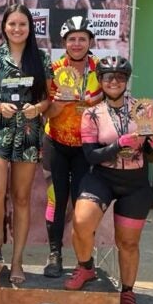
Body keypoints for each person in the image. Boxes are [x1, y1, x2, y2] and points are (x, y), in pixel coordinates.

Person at [62, 56, 153, 304]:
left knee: (128, 243)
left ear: (127, 80)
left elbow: (152, 153)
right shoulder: (91, 113)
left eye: (120, 76)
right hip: (102, 177)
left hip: (135, 182)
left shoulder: (144, 110)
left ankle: (127, 291)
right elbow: (91, 156)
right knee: (81, 222)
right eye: (108, 77)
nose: (114, 81)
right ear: (101, 80)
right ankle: (86, 267)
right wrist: (119, 144)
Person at [0, 4, 52, 283]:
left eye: (22, 24)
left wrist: (38, 108)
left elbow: (48, 98)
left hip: (28, 132)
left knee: (21, 198)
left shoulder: (41, 58)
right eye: (12, 24)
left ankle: (17, 261)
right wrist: (0, 107)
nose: (17, 29)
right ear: (4, 27)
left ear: (30, 27)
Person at [41, 16, 103, 277]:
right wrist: (59, 104)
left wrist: (94, 99)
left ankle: (83, 259)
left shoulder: (101, 69)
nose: (77, 44)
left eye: (82, 39)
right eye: (72, 39)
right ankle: (54, 254)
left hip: (86, 148)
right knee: (57, 198)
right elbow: (45, 112)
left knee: (82, 204)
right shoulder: (54, 69)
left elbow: (112, 100)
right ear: (64, 43)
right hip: (56, 143)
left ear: (90, 42)